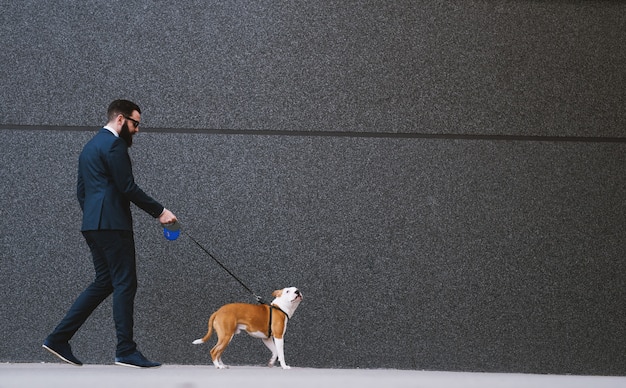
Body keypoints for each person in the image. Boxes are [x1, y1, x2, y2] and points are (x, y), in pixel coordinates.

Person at [43, 99, 177, 368]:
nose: (137, 130)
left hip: (92, 224)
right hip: (113, 226)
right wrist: (160, 211)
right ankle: (125, 350)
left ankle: (58, 338)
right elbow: (127, 186)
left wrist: (94, 216)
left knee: (105, 282)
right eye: (135, 123)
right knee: (126, 283)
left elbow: (81, 191)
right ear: (120, 119)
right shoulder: (114, 145)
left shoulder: (90, 146)